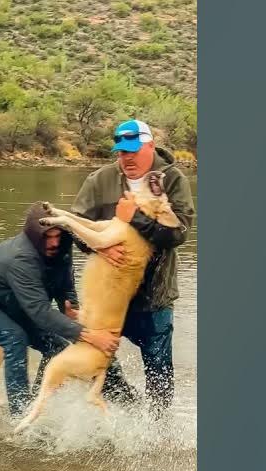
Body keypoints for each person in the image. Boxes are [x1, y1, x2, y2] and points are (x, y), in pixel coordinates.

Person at [71, 119, 196, 416]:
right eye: (121, 152)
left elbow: (178, 234)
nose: (126, 158)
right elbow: (75, 229)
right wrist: (98, 245)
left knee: (159, 371)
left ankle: (157, 430)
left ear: (150, 146)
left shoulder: (173, 180)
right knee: (97, 361)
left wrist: (134, 219)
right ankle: (129, 409)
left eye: (132, 151)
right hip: (109, 297)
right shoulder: (99, 180)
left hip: (154, 297)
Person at [0, 202, 120, 417]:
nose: (54, 243)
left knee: (57, 346)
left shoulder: (62, 248)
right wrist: (90, 335)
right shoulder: (21, 258)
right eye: (47, 237)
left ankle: (39, 405)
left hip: (14, 302)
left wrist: (71, 307)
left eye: (58, 236)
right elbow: (39, 312)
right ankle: (19, 413)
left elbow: (65, 286)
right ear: (33, 235)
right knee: (15, 338)